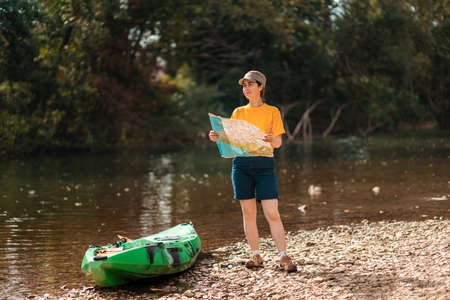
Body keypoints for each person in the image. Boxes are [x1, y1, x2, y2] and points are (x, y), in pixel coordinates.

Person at [208, 70, 297, 272]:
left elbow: (278, 142)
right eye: (244, 85)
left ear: (260, 87)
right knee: (248, 213)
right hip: (241, 166)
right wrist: (217, 137)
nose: (246, 88)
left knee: (272, 212)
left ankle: (283, 255)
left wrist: (270, 139)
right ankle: (255, 255)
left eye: (250, 84)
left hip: (265, 165)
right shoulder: (238, 112)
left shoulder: (272, 111)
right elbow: (231, 141)